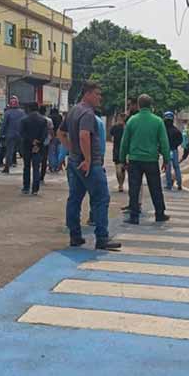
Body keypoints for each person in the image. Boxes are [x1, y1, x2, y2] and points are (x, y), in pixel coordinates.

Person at [59, 81, 121, 250]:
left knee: (75, 198)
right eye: (97, 94)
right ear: (87, 94)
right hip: (89, 164)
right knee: (101, 198)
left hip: (74, 161)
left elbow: (61, 133)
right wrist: (86, 159)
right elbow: (84, 136)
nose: (99, 97)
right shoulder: (87, 113)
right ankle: (102, 237)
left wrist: (71, 150)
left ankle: (75, 235)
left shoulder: (73, 110)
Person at [119, 94, 170, 225]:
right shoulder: (158, 121)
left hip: (135, 160)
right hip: (151, 160)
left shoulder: (131, 121)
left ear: (139, 105)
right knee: (155, 187)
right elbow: (164, 142)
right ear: (151, 105)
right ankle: (160, 214)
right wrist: (166, 159)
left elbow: (124, 142)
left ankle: (134, 216)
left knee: (134, 188)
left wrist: (122, 160)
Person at [20, 102, 48, 195]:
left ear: (29, 109)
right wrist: (37, 142)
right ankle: (35, 189)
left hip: (27, 146)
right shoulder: (43, 120)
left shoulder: (24, 120)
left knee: (26, 167)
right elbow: (44, 134)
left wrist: (31, 141)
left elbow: (22, 133)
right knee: (36, 167)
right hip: (39, 147)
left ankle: (26, 187)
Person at [1, 96, 26, 173]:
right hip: (20, 135)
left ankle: (7, 168)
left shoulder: (7, 113)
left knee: (9, 151)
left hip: (10, 135)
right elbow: (24, 123)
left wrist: (2, 135)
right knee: (23, 152)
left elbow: (4, 125)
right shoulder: (22, 112)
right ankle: (26, 166)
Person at [162, 112, 183, 191]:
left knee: (168, 168)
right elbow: (180, 140)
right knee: (176, 167)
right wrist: (175, 145)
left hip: (166, 150)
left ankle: (169, 184)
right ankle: (179, 184)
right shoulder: (176, 130)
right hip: (174, 150)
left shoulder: (163, 130)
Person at [110, 112, 127, 192]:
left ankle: (120, 184)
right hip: (125, 150)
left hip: (117, 149)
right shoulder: (127, 127)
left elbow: (111, 135)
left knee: (118, 169)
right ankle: (121, 184)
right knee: (122, 169)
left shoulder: (115, 126)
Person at [39, 105, 53, 183]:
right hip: (46, 142)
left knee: (36, 159)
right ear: (45, 111)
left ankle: (36, 175)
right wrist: (52, 138)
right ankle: (42, 177)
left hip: (37, 141)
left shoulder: (37, 119)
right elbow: (51, 131)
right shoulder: (49, 120)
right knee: (44, 159)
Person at [48, 107, 63, 173]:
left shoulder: (49, 117)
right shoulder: (60, 117)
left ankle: (52, 166)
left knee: (51, 152)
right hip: (59, 136)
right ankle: (58, 166)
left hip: (52, 136)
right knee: (58, 151)